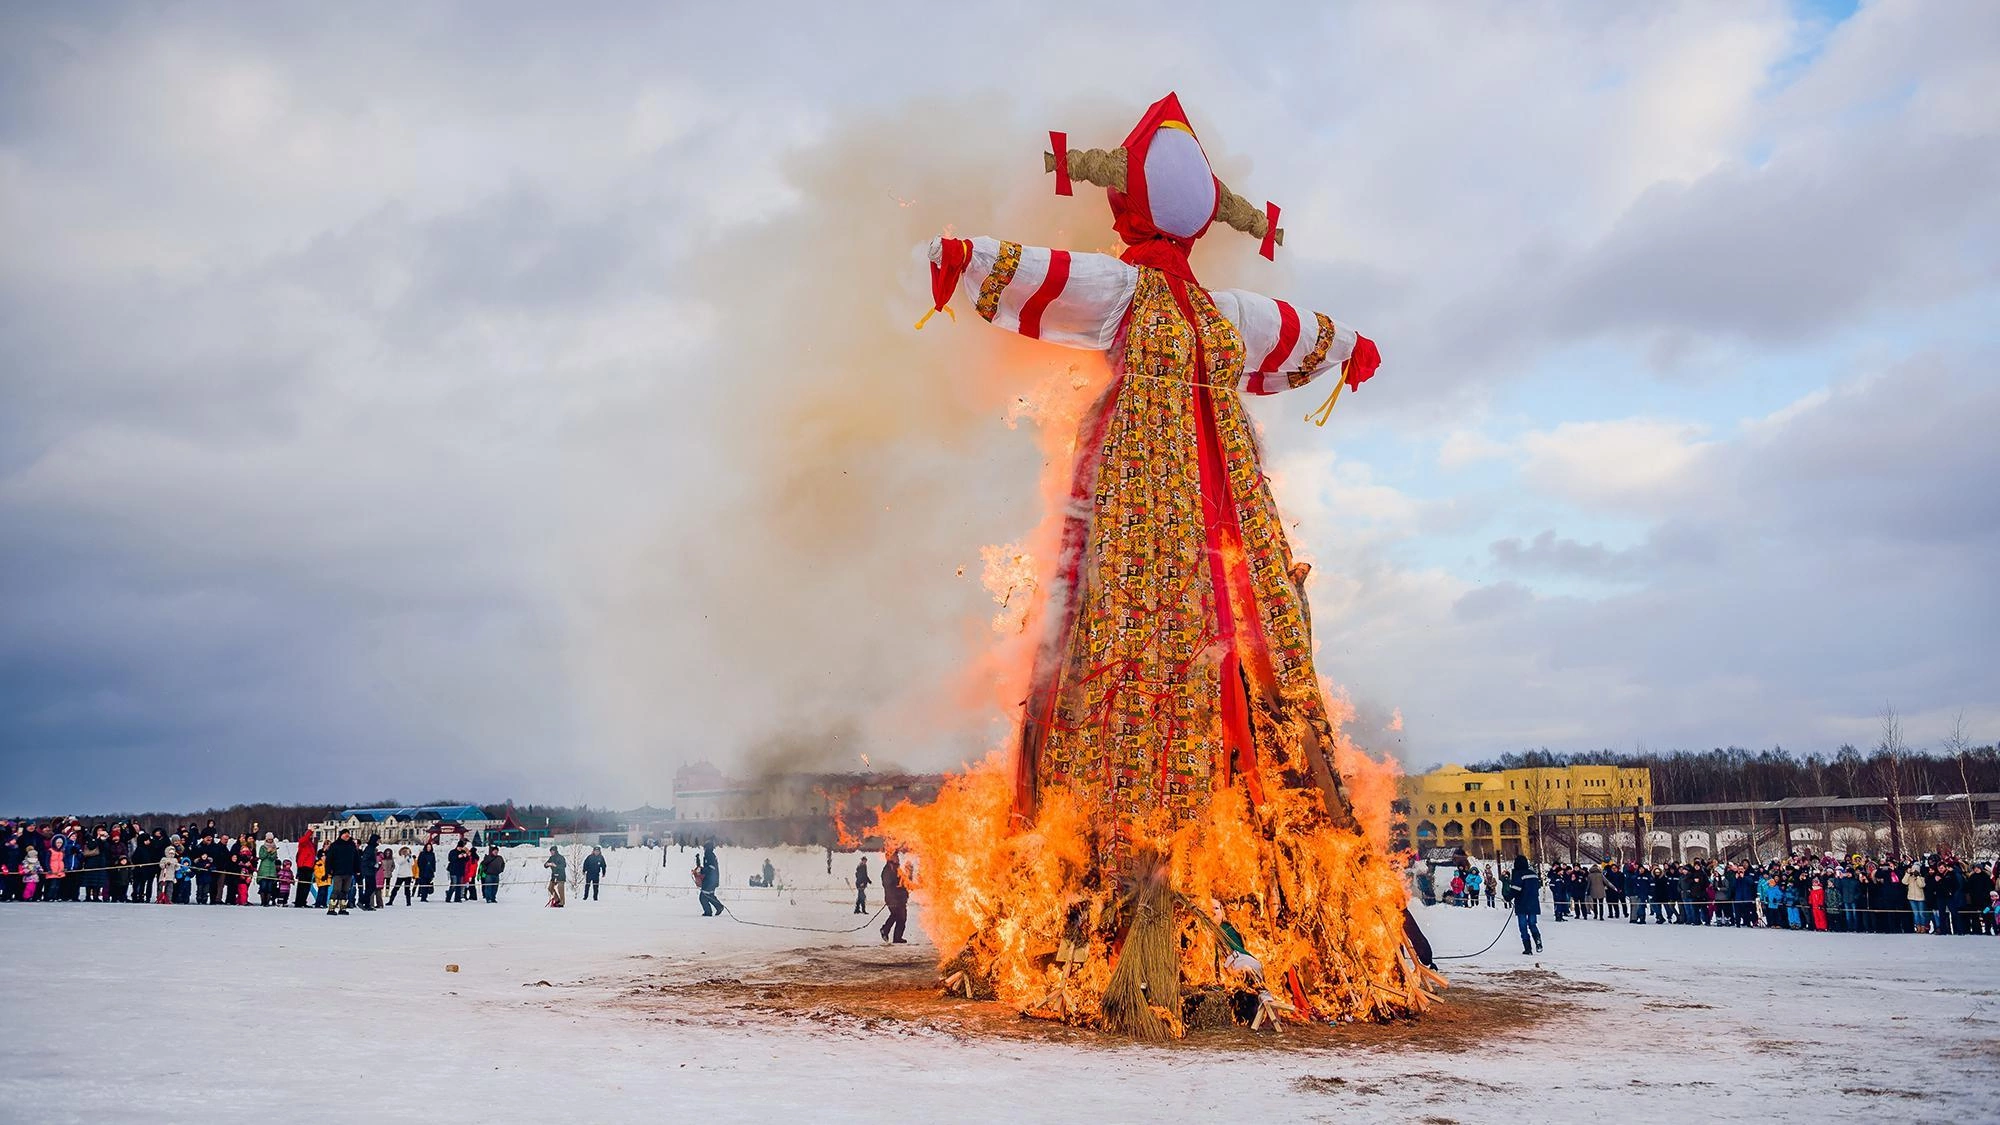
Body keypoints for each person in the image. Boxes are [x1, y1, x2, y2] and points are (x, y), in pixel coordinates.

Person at [1509, 856, 1542, 955]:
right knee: (1532, 924)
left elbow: (1516, 889)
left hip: (1522, 903)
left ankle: (1528, 948)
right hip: (1533, 903)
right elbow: (1538, 886)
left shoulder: (1518, 874)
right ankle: (1538, 941)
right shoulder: (1534, 874)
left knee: (1523, 926)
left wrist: (1508, 897)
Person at [323, 829, 359, 916]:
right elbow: (329, 860)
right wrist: (328, 871)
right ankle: (331, 908)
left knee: (346, 890)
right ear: (341, 835)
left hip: (348, 872)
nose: (347, 835)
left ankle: (343, 908)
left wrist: (357, 869)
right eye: (345, 834)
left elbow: (356, 859)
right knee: (336, 890)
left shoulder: (351, 846)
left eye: (348, 834)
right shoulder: (335, 845)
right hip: (337, 872)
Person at [880, 849, 909, 944]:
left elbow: (904, 882)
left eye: (897, 856)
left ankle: (896, 937)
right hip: (893, 898)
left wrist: (909, 874)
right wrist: (897, 890)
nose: (897, 858)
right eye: (895, 856)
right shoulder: (888, 870)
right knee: (898, 915)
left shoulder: (897, 869)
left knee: (901, 917)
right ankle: (886, 930)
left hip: (900, 898)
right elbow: (888, 884)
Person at [293, 831, 318, 908]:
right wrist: (310, 832)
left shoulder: (311, 844)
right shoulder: (303, 843)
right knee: (302, 885)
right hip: (303, 866)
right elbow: (302, 840)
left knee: (307, 886)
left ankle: (303, 901)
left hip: (310, 867)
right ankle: (299, 902)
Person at [256, 833, 281, 906]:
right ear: (266, 839)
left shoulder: (274, 847)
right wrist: (267, 851)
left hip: (271, 870)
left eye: (271, 839)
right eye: (269, 839)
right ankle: (263, 902)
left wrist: (271, 852)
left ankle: (267, 902)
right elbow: (262, 856)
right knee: (263, 886)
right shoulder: (262, 847)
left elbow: (273, 858)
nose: (270, 840)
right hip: (263, 870)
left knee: (270, 887)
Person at [698, 842, 722, 917]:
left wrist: (702, 871)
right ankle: (719, 907)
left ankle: (708, 912)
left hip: (710, 880)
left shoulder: (708, 855)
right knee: (710, 895)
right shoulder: (710, 854)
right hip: (712, 879)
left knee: (703, 896)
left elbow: (711, 868)